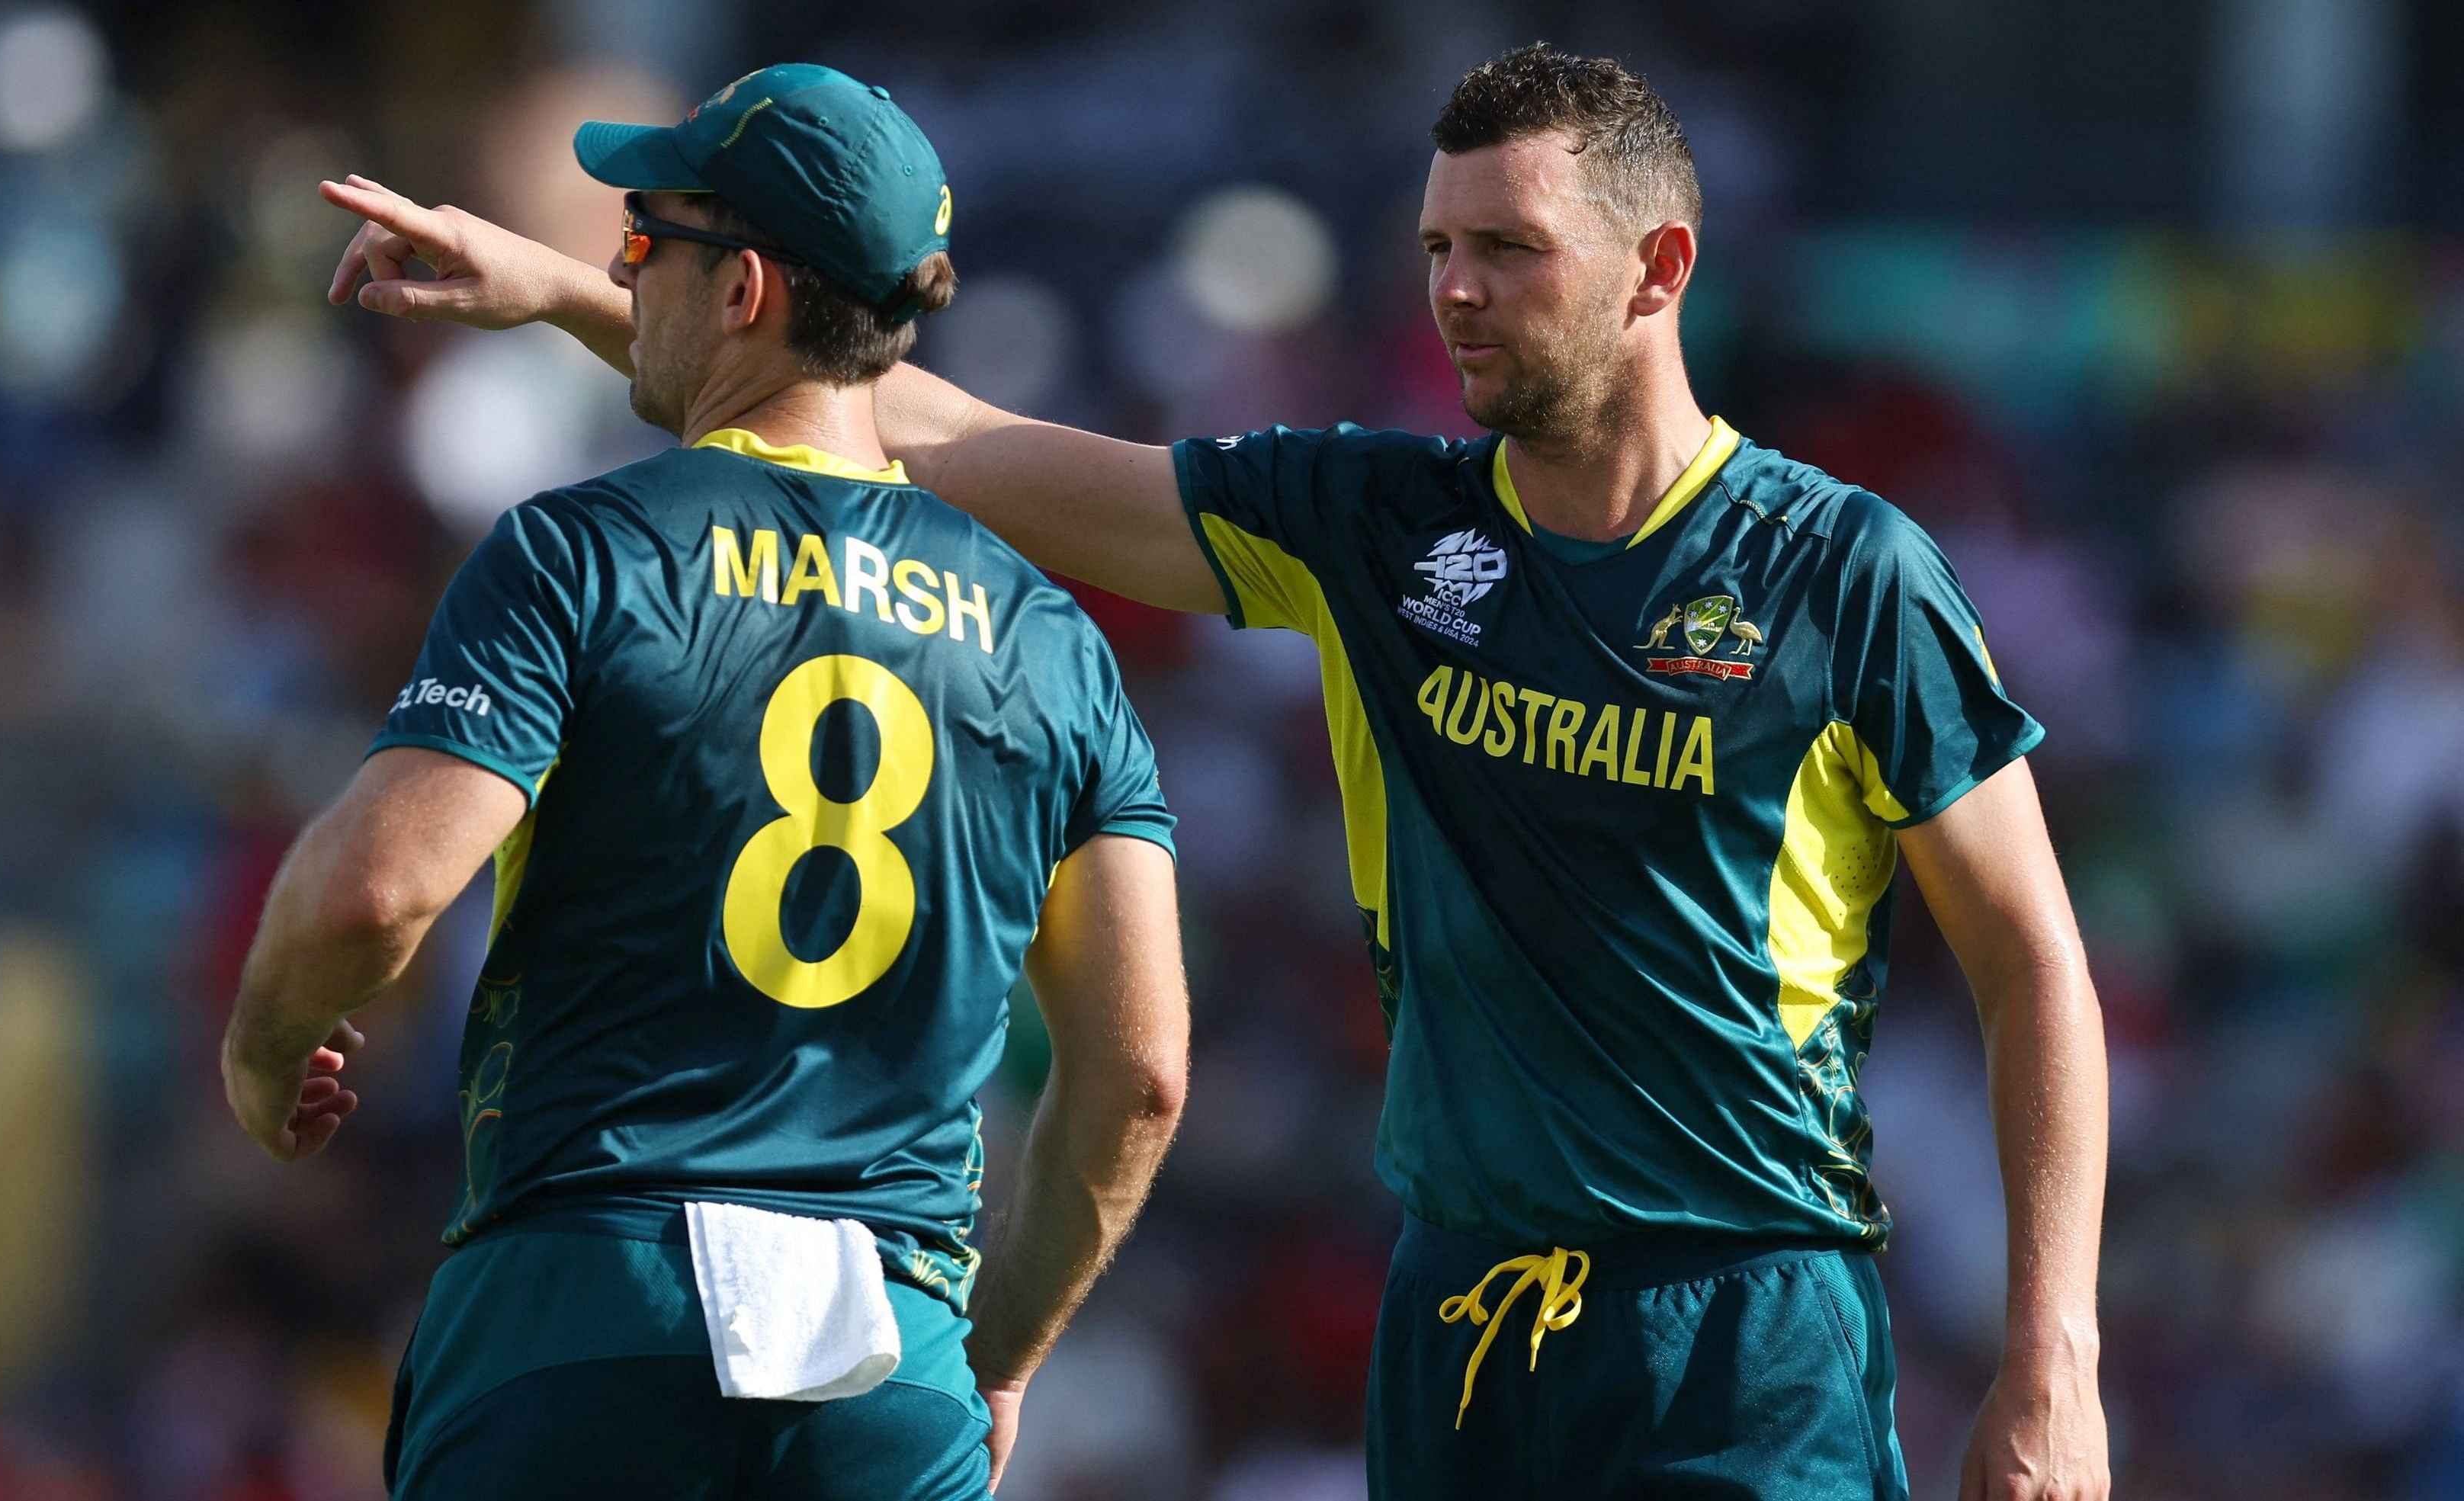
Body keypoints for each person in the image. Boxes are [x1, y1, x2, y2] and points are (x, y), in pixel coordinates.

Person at [326, 43, 2111, 1501]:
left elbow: (2031, 955)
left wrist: (2051, 1353)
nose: (1456, 291)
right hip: (1466, 1315)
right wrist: (576, 290)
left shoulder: (1840, 572)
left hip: (1747, 1317)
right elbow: (945, 437)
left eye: (1508, 251)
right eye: (1434, 250)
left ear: (1659, 271)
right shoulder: (1379, 526)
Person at [227, 63, 1189, 1501]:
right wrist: (994, 1359)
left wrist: (263, 1048)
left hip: (585, 1302)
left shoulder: (583, 552)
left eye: (639, 245)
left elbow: (373, 893)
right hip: (889, 1357)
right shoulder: (1055, 643)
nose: (626, 277)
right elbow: (1142, 1074)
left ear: (740, 288)